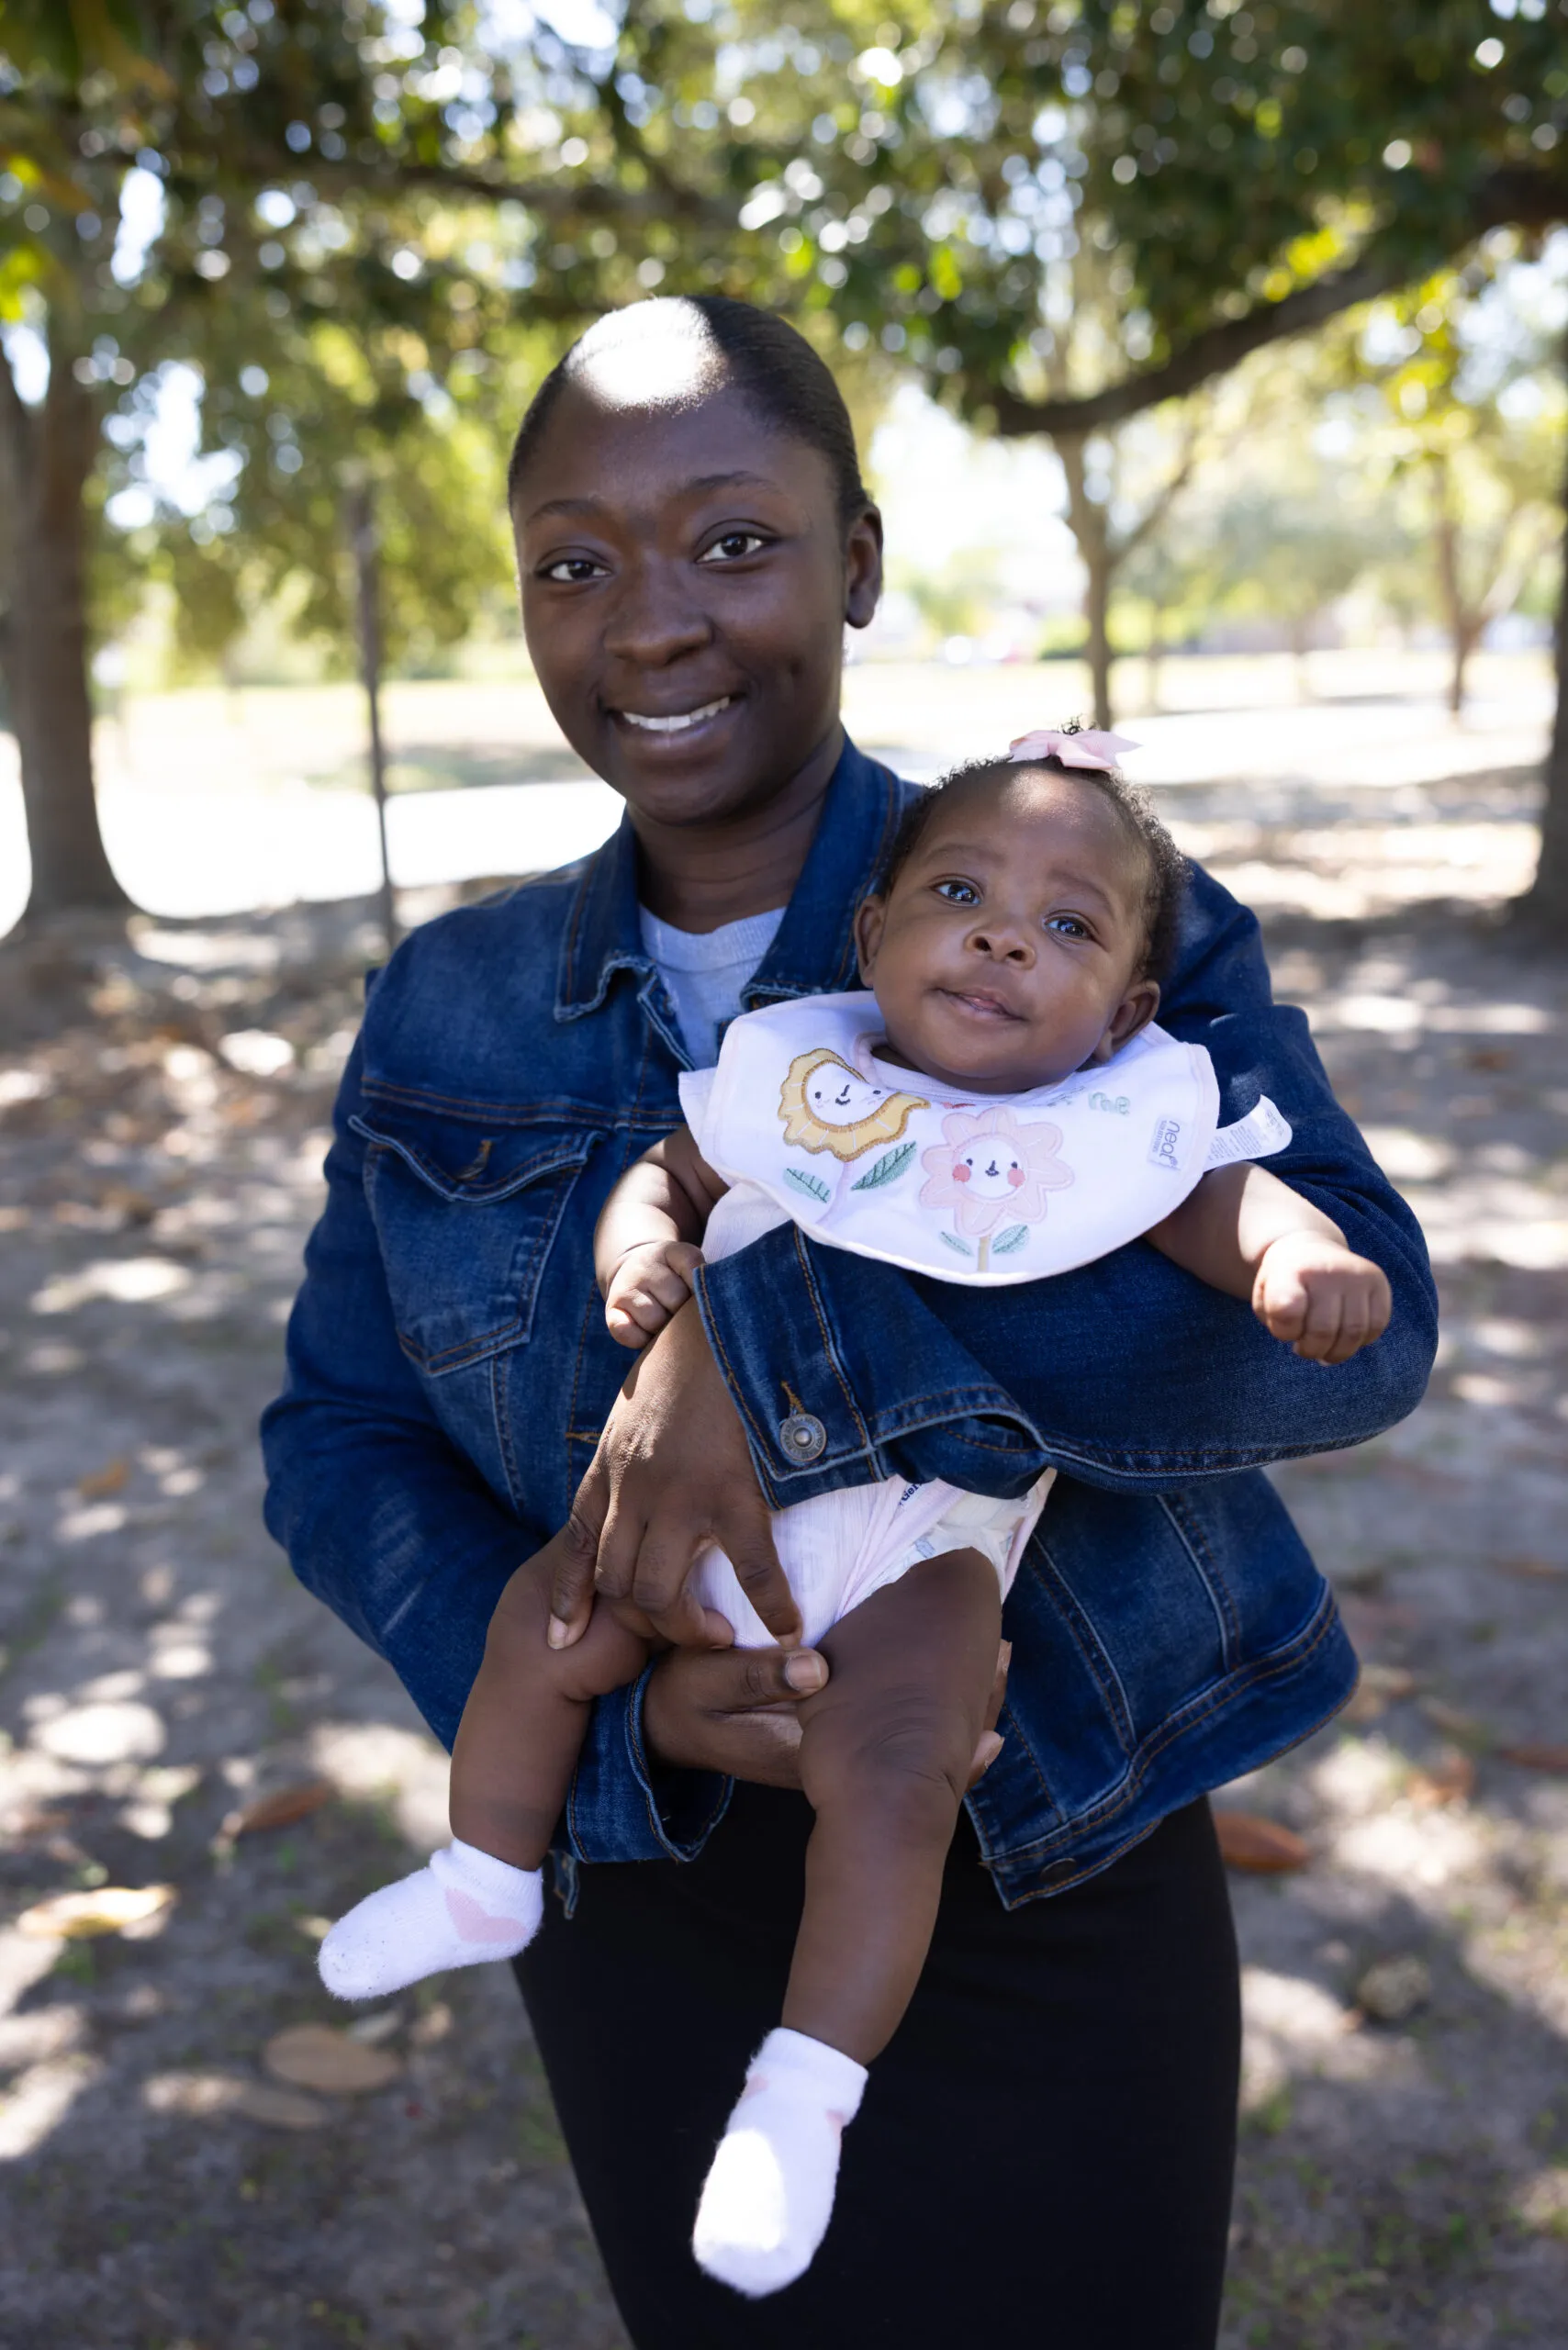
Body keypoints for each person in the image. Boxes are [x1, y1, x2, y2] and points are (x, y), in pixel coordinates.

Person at [262, 295, 1437, 2350]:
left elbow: (1353, 1318)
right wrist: (605, 1720)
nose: (649, 625)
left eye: (732, 541)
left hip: (1040, 1835)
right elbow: (334, 1438)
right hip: (629, 1880)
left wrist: (765, 1349)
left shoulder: (1082, 910)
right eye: (572, 562)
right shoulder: (443, 1006)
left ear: (858, 560)